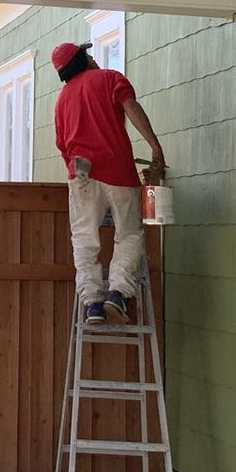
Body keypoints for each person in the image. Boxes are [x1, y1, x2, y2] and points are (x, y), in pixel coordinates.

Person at [51, 41, 165, 325]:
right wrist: (155, 147)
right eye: (87, 54)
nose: (92, 57)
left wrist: (76, 168)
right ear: (83, 60)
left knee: (84, 240)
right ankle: (117, 293)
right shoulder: (110, 78)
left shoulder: (62, 100)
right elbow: (131, 108)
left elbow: (62, 144)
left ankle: (92, 304)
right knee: (128, 233)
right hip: (118, 170)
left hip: (81, 175)